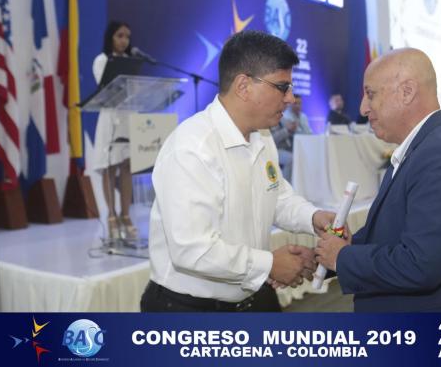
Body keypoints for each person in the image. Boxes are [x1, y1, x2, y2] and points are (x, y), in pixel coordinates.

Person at [141, 30, 334, 312]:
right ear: (243, 86)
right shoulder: (193, 148)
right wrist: (270, 264)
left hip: (251, 294)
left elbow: (277, 197)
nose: (291, 98)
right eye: (282, 87)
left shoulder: (262, 136)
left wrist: (313, 217)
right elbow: (193, 249)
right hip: (192, 309)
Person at [315, 48, 441, 312]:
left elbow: (421, 264)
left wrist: (342, 257)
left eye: (370, 94)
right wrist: (346, 245)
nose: (363, 108)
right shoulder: (423, 148)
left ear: (407, 92)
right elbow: (398, 233)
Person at [92, 21, 137, 240]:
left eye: (127, 37)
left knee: (127, 166)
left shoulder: (131, 61)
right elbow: (106, 89)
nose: (124, 41)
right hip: (110, 117)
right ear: (110, 37)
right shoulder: (102, 60)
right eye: (120, 36)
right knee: (110, 167)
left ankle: (125, 215)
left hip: (128, 116)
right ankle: (111, 215)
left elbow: (135, 89)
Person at [271, 94, 312, 181]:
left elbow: (307, 132)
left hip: (289, 148)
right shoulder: (270, 117)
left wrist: (289, 129)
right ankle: (287, 186)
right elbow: (272, 139)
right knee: (291, 159)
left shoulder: (283, 117)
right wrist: (287, 130)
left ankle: (302, 184)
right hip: (275, 149)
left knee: (306, 155)